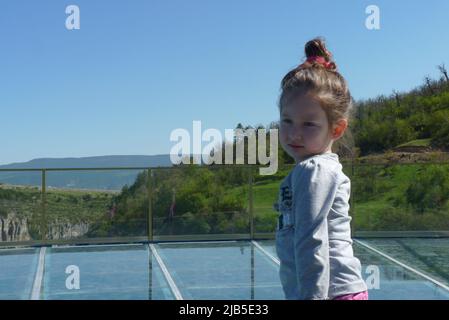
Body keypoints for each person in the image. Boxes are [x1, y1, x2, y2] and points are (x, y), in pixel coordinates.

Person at [274, 37, 368, 300]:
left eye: (308, 124)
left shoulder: (313, 170)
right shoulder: (319, 168)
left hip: (331, 293)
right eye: (287, 121)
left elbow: (311, 242)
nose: (294, 133)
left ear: (336, 129)